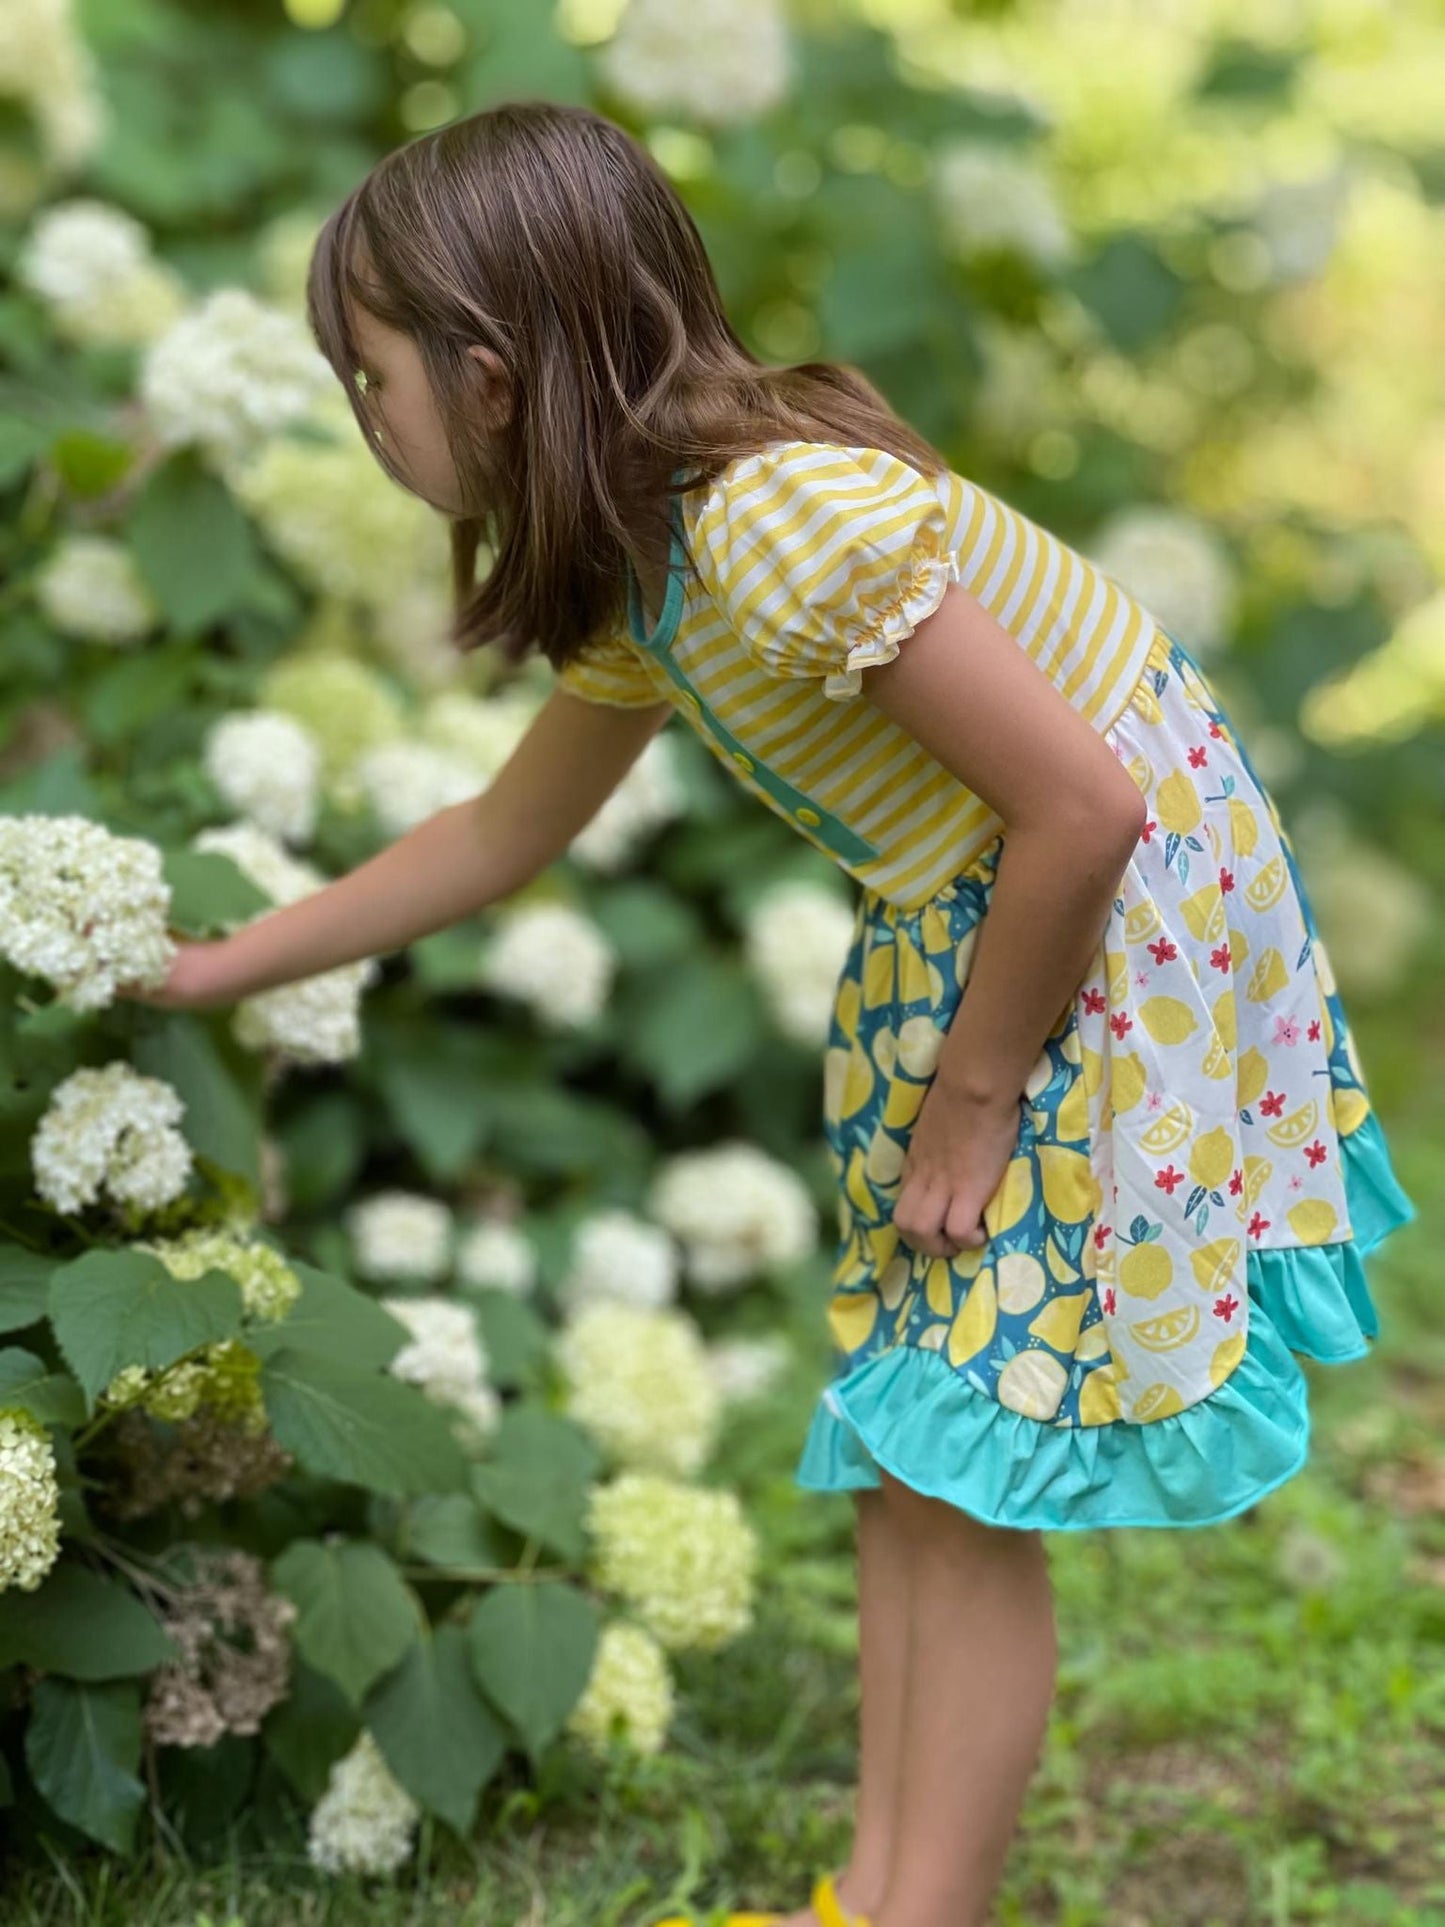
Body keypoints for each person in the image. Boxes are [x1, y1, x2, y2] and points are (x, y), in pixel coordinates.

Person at [121, 100, 1417, 1927]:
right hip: (983, 918)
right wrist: (212, 964)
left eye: (374, 376)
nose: (367, 417)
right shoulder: (645, 566)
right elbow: (502, 831)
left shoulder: (779, 525)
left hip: (1096, 934)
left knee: (960, 1463)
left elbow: (1089, 807)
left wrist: (974, 1094)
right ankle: (873, 1899)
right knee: (913, 1452)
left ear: (492, 376)